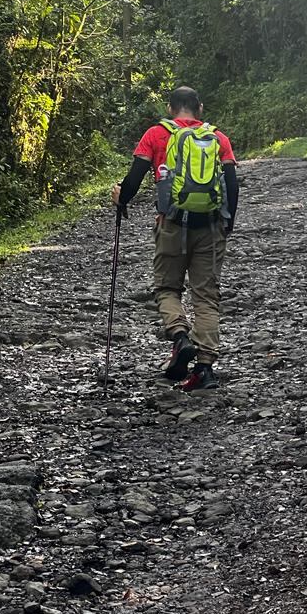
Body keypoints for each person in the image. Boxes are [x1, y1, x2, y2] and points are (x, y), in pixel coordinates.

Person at [111, 86, 239, 391]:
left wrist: (121, 198)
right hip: (209, 227)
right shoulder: (218, 138)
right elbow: (231, 185)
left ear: (171, 108)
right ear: (200, 108)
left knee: (167, 288)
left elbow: (134, 178)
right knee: (206, 296)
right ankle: (205, 369)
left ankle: (180, 337)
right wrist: (227, 224)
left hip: (171, 224)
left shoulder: (156, 134)